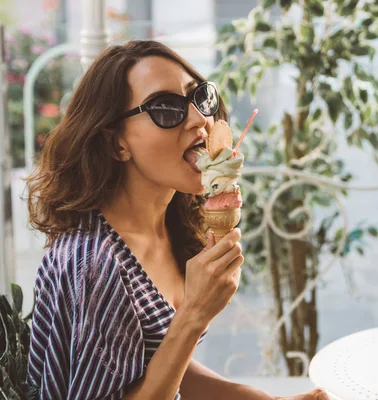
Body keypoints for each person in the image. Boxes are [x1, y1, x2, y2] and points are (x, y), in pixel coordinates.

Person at [25, 40, 328, 400]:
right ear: (115, 144)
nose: (200, 119)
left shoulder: (171, 226)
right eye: (165, 108)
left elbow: (151, 364)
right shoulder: (95, 265)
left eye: (199, 97)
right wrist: (194, 314)